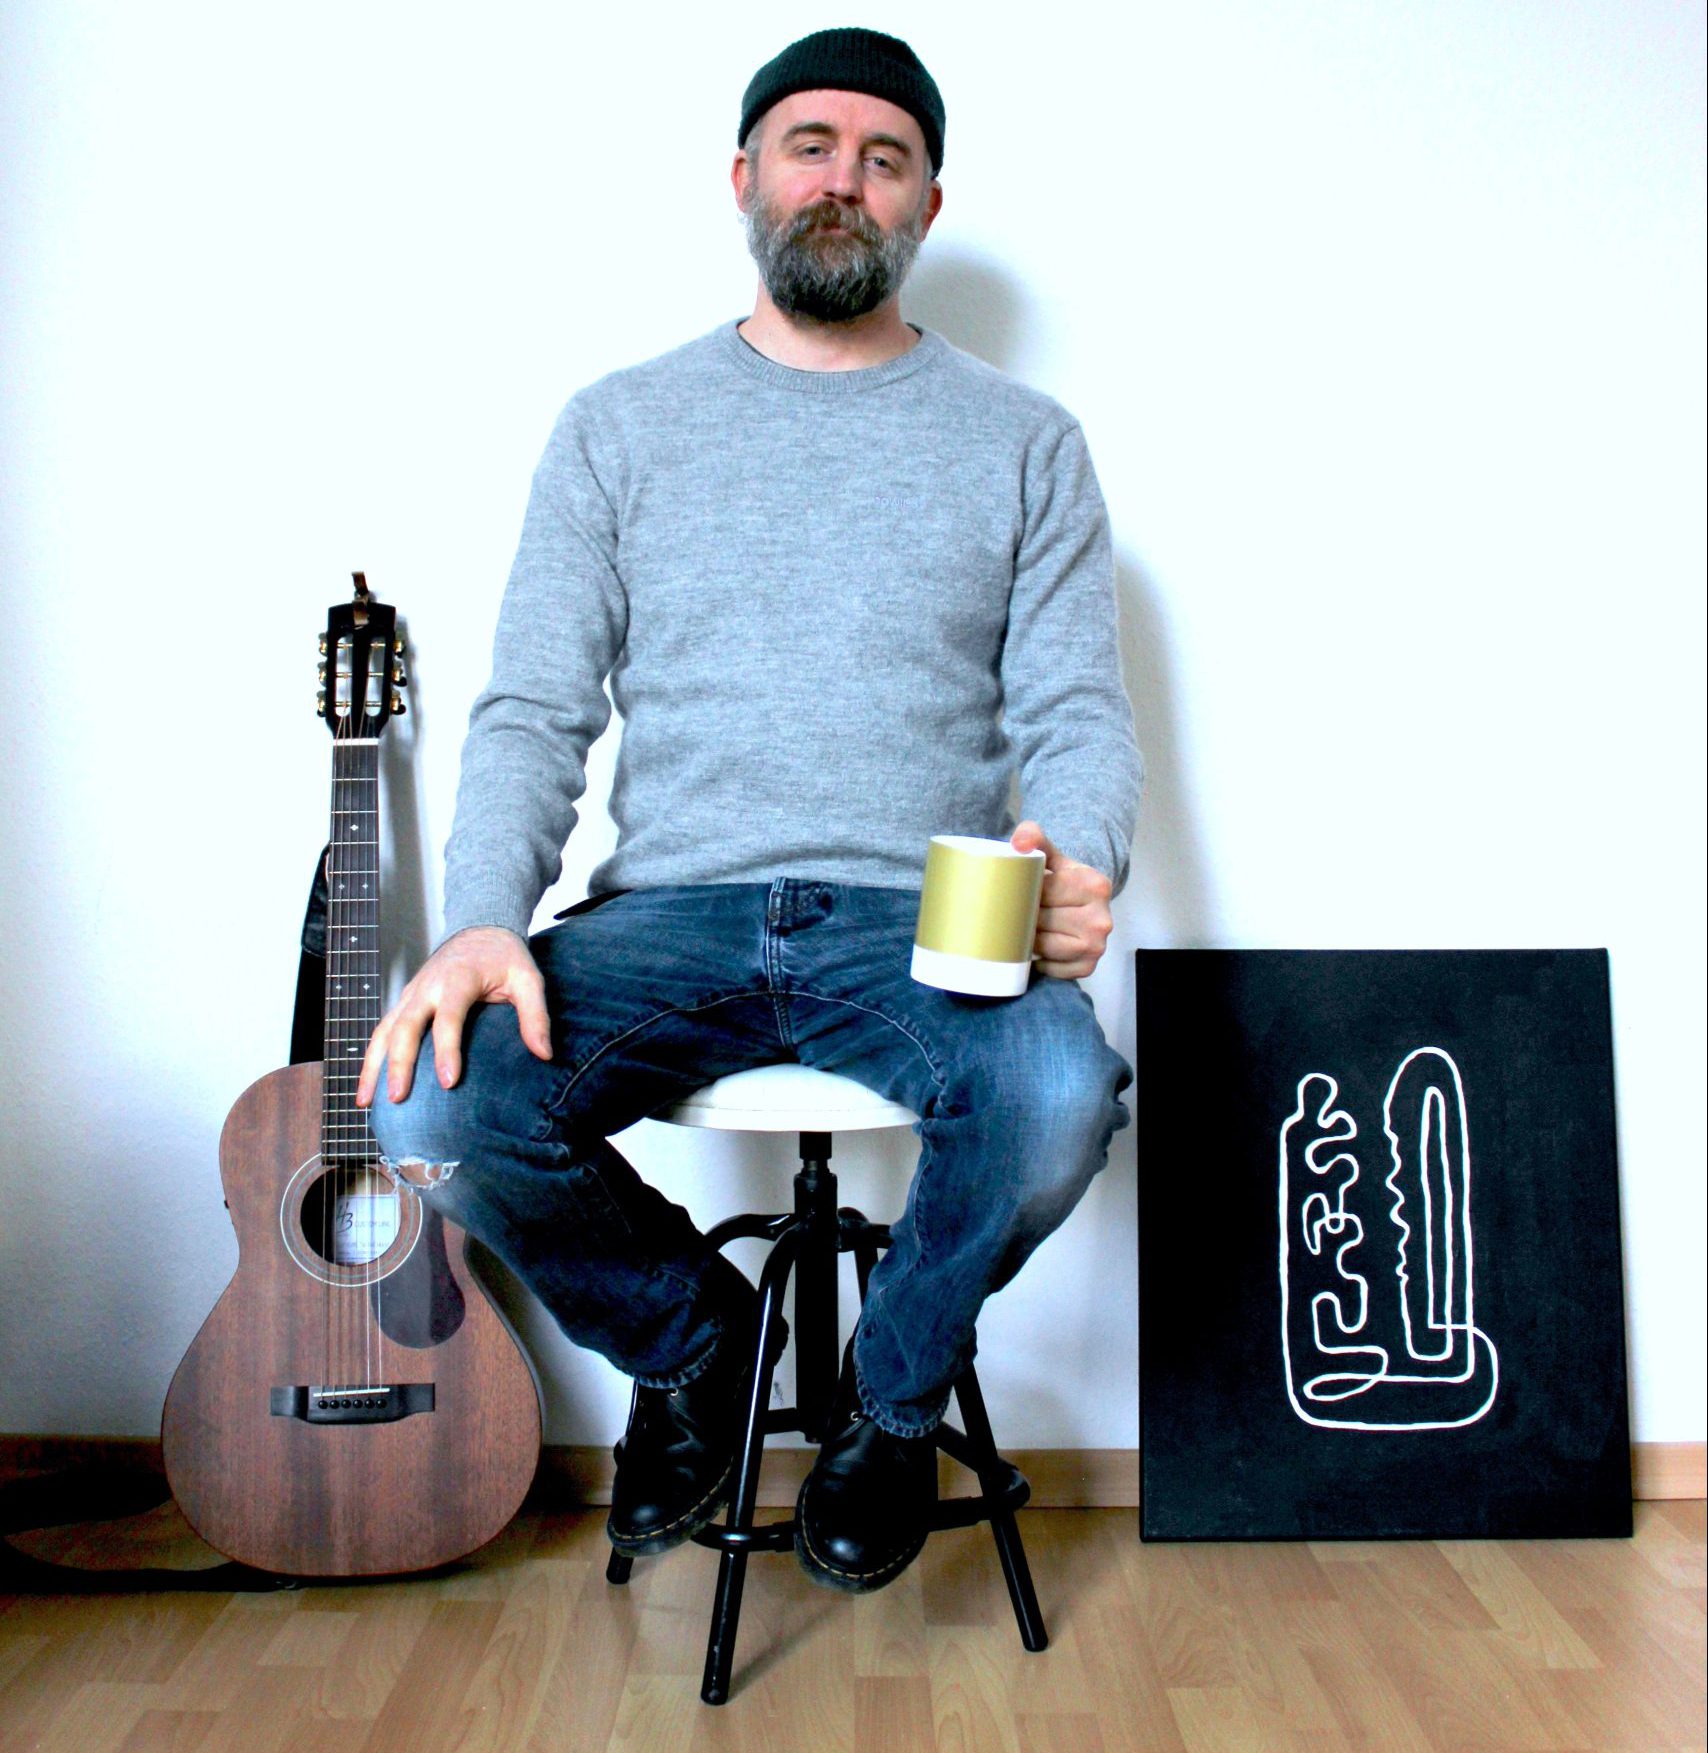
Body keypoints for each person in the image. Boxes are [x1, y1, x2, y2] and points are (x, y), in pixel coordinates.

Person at [357, 26, 1142, 1594]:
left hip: (919, 920)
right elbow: (533, 709)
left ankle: (889, 1404)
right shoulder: (618, 425)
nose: (842, 178)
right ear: (743, 178)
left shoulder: (1026, 443)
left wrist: (1084, 852)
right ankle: (699, 1342)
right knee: (426, 1104)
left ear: (925, 203)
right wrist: (478, 924)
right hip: (670, 917)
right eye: (809, 144)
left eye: (884, 156)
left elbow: (1076, 714)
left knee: (1061, 1096)